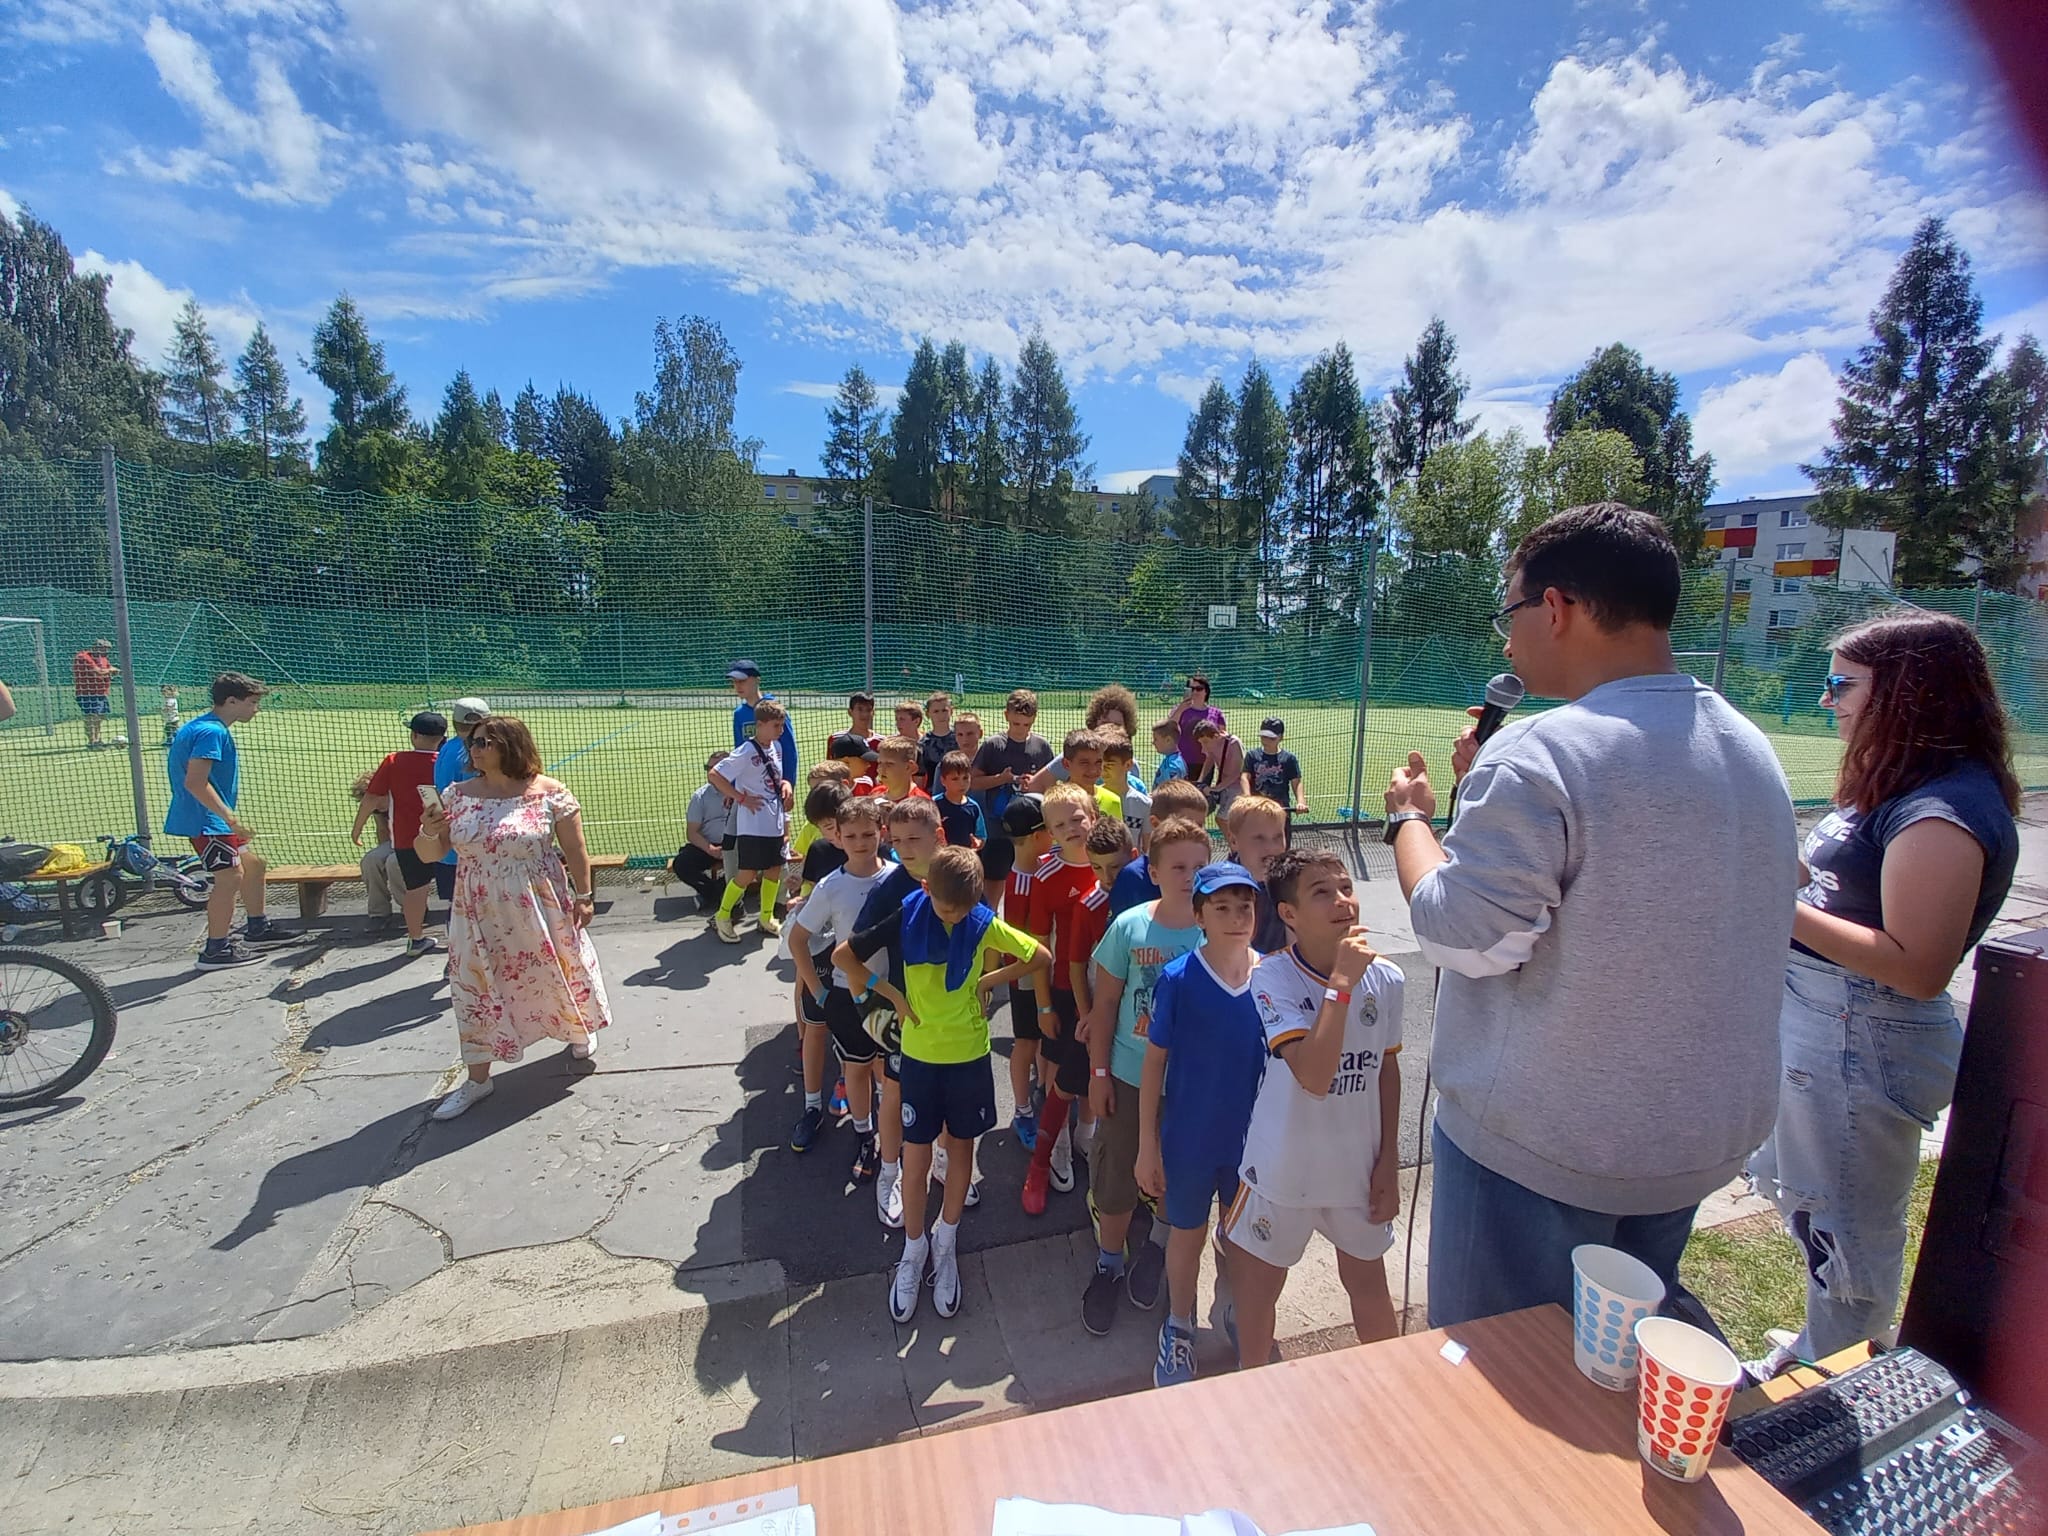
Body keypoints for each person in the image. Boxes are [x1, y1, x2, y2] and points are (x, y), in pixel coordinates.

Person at [1385, 502, 1798, 1329]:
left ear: (1558, 608)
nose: (1508, 642)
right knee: (1613, 1365)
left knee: (1500, 1386)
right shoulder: (1752, 746)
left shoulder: (1540, 751)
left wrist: (1412, 821)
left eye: (1512, 612)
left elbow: (1463, 934)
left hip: (1546, 1153)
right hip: (1688, 1146)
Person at [1746, 611, 2021, 1377]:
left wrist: (1769, 898)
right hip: (1829, 1021)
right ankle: (1824, 1344)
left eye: (1843, 684)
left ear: (1908, 692)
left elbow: (1916, 964)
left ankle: (1844, 1377)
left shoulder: (1942, 811)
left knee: (1847, 1228)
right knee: (1807, 1199)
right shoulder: (1898, 786)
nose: (1828, 699)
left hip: (1865, 1031)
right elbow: (1838, 891)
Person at [837, 845, 1051, 1323]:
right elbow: (844, 957)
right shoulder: (907, 914)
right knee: (915, 1159)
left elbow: (1039, 954)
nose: (954, 920)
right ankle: (913, 1251)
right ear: (927, 888)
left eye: (963, 913)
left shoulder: (980, 921)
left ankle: (945, 1239)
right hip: (918, 1059)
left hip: (969, 1058)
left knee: (960, 1151)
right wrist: (891, 994)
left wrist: (987, 979)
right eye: (945, 909)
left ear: (977, 902)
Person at [1225, 849, 1405, 1369]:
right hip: (1283, 1169)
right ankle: (1251, 1389)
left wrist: (1388, 1158)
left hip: (1357, 1165)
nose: (1342, 901)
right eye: (1321, 893)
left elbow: (1385, 1069)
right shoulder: (1272, 979)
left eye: (1346, 887)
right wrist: (1342, 984)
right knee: (1259, 1297)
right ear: (1288, 915)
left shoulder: (1388, 979)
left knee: (1369, 1285)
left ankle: (1392, 1392)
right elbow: (1315, 1078)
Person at [414, 715, 609, 1120]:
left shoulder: (549, 794)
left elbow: (576, 851)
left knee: (553, 973)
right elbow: (429, 854)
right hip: (476, 911)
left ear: (511, 745)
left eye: (486, 741)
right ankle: (478, 1080)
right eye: (474, 742)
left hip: (541, 904)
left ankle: (577, 1029)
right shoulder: (457, 795)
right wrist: (430, 831)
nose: (476, 748)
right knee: (476, 989)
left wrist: (585, 896)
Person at [1078, 815, 1213, 1334]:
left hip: (1190, 1085)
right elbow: (1106, 1003)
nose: (1189, 876)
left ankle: (1158, 1246)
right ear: (1152, 871)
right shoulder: (1130, 926)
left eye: (1200, 866)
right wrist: (1099, 1072)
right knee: (1116, 1177)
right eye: (1177, 866)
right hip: (1130, 1079)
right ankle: (1109, 1262)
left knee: (1176, 1175)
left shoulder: (1216, 927)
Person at [1137, 861, 1265, 1387]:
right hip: (1188, 1139)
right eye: (1221, 907)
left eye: (1245, 906)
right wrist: (1147, 1143)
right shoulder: (1178, 979)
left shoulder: (1272, 976)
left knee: (1243, 1241)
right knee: (1187, 1235)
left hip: (1251, 1145)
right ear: (1200, 916)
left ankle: (1238, 1312)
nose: (1236, 917)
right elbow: (1154, 1063)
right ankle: (1179, 1327)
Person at [853, 796, 946, 1228]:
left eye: (915, 839)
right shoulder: (889, 891)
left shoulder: (958, 876)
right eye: (898, 840)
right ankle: (890, 1172)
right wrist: (882, 1000)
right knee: (894, 1092)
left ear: (938, 837)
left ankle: (943, 1161)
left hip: (951, 1016)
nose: (905, 848)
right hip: (907, 1018)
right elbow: (852, 953)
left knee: (945, 1092)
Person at [788, 795, 895, 1169]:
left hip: (894, 993)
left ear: (882, 832)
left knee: (891, 1073)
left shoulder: (898, 877)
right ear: (839, 838)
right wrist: (818, 991)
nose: (861, 842)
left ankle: (892, 1144)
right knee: (857, 1067)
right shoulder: (832, 885)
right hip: (848, 995)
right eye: (852, 836)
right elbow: (797, 940)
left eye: (869, 833)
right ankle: (864, 1136)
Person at [165, 671, 291, 969]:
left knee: (253, 865)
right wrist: (230, 819)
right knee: (229, 877)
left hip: (214, 820)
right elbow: (195, 782)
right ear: (231, 700)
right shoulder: (212, 732)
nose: (256, 709)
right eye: (252, 702)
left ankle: (257, 928)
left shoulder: (207, 727)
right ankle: (215, 950)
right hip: (206, 821)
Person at [1021, 783, 1106, 1214]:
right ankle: (1053, 1148)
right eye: (1060, 824)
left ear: (1093, 814)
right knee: (1059, 1071)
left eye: (1078, 818)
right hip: (1062, 988)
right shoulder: (1046, 877)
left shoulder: (1114, 866)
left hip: (1108, 986)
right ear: (1049, 834)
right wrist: (1044, 1006)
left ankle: (1086, 1133)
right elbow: (1039, 950)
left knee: (1096, 1066)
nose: (1072, 828)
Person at [356, 711, 451, 959]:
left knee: (416, 890)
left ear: (414, 735)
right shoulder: (446, 760)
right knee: (456, 893)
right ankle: (460, 944)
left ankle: (415, 939)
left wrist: (356, 829)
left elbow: (371, 798)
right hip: (449, 837)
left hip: (409, 840)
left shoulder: (394, 760)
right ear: (442, 738)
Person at [708, 699, 795, 943]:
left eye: (782, 725)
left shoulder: (775, 747)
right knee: (747, 874)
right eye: (776, 725)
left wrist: (786, 784)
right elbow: (715, 775)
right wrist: (738, 797)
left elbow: (777, 777)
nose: (780, 730)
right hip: (754, 825)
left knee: (774, 870)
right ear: (760, 725)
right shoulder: (746, 751)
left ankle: (766, 917)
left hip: (774, 821)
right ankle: (722, 915)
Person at [998, 793, 1054, 1151]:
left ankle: (1042, 1093)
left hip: (1044, 976)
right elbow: (1022, 950)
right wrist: (1041, 997)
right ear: (1038, 835)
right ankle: (1022, 1111)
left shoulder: (1043, 866)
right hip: (1027, 980)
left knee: (1045, 1043)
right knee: (1028, 1042)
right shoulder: (1021, 883)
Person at [1108, 779, 1211, 917]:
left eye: (1200, 825)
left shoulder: (1205, 874)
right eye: (1184, 823)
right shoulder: (1132, 878)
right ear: (1155, 823)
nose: (1193, 831)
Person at [971, 688, 1054, 837]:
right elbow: (973, 782)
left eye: (1026, 724)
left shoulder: (1042, 746)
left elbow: (1052, 786)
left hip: (1034, 824)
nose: (1021, 729)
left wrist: (1035, 783)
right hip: (998, 825)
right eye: (1016, 724)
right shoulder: (993, 745)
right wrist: (1001, 779)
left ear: (1034, 718)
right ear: (1006, 715)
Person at [434, 697, 492, 905]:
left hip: (450, 847)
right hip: (475, 849)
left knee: (458, 909)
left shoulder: (446, 749)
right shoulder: (478, 753)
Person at [1222, 796, 1291, 953]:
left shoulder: (1289, 883)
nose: (1271, 848)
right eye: (1259, 839)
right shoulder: (1221, 887)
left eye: (1278, 837)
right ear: (1233, 841)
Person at [673, 752, 735, 910]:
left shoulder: (741, 792)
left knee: (756, 856)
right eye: (708, 768)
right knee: (681, 863)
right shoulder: (700, 797)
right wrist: (711, 849)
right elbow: (692, 833)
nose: (710, 772)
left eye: (715, 768)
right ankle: (715, 891)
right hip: (709, 845)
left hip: (737, 844)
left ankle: (715, 894)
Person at [348, 770, 405, 935]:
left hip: (416, 843)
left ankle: (411, 909)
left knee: (394, 862)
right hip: (395, 842)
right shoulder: (377, 809)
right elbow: (382, 832)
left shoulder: (402, 797)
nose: (376, 806)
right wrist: (384, 853)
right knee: (370, 860)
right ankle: (379, 914)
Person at [729, 659, 797, 782]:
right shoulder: (739, 714)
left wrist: (788, 782)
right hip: (750, 785)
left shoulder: (774, 709)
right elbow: (738, 751)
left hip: (774, 780)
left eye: (742, 681)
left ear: (757, 680)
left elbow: (789, 749)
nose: (738, 686)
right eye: (734, 682)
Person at [1243, 718, 1305, 830]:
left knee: (1281, 842)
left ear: (1280, 738)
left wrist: (1300, 802)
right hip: (1257, 808)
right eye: (1263, 737)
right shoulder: (1252, 756)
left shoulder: (1289, 759)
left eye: (1271, 738)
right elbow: (1244, 777)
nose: (1266, 741)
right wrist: (1247, 798)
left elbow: (1296, 782)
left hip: (1280, 809)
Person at [1100, 727, 1150, 851]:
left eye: (1109, 765)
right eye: (1100, 763)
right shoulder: (1089, 799)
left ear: (1128, 765)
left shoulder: (1144, 804)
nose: (1103, 769)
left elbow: (1147, 848)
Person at [1190, 717, 1246, 822]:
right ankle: (1233, 839)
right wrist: (1200, 780)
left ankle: (1237, 839)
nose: (1203, 747)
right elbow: (1209, 760)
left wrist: (1216, 789)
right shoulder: (1211, 745)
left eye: (1205, 742)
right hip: (1225, 785)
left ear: (1216, 736)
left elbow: (1235, 773)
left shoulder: (1233, 743)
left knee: (1223, 819)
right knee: (1222, 820)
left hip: (1238, 786)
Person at [1172, 674, 1225, 771]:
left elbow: (1222, 738)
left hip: (1206, 763)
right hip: (1182, 762)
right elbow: (1169, 728)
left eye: (1199, 689)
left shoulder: (1216, 713)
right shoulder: (1179, 709)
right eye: (1191, 689)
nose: (1195, 692)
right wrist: (1180, 709)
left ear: (1206, 691)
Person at [935, 751, 986, 848]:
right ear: (943, 780)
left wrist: (978, 842)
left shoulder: (973, 807)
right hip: (941, 859)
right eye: (955, 779)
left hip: (965, 859)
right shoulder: (934, 805)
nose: (962, 783)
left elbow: (981, 836)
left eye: (965, 778)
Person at [73, 638, 117, 749]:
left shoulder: (103, 658)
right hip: (87, 693)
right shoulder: (83, 657)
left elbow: (108, 668)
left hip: (101, 693)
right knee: (91, 716)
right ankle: (92, 741)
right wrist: (111, 671)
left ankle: (97, 740)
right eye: (104, 648)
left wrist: (109, 670)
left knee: (100, 716)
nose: (106, 651)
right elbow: (98, 672)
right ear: (96, 648)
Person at [918, 691, 959, 792]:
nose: (941, 715)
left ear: (951, 711)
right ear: (928, 714)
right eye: (936, 711)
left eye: (944, 710)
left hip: (959, 791)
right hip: (933, 794)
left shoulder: (960, 736)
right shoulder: (923, 743)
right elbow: (919, 777)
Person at [875, 735, 931, 803]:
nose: (881, 769)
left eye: (889, 764)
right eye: (880, 762)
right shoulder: (875, 794)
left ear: (909, 767)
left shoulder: (921, 803)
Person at [1151, 720, 1187, 788]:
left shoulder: (1173, 766)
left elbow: (1172, 793)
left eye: (1156, 739)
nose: (1153, 742)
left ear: (1168, 740)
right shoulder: (1174, 760)